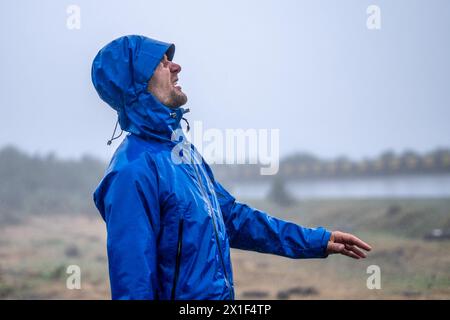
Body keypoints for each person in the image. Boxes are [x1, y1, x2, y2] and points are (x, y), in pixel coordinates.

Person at [91, 35, 372, 300]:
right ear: (136, 84)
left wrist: (316, 241)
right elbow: (133, 286)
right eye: (162, 63)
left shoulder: (182, 152)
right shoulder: (131, 172)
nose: (177, 67)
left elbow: (234, 218)